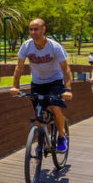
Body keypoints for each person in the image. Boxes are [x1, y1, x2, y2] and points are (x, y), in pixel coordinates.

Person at [11, 18, 72, 152]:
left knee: (55, 108)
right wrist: (15, 86)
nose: (33, 32)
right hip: (37, 82)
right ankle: (42, 141)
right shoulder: (26, 46)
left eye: (36, 29)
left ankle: (61, 137)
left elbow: (66, 69)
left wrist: (67, 89)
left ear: (43, 29)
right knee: (38, 114)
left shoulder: (54, 46)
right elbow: (19, 67)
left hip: (54, 80)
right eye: (31, 29)